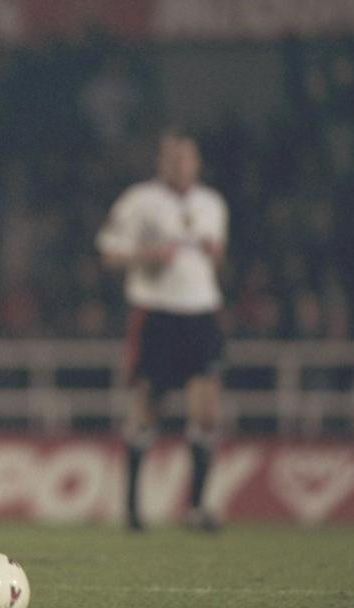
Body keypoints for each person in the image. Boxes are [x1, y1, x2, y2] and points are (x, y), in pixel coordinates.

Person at [96, 131, 228, 532]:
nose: (180, 165)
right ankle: (133, 510)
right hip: (155, 313)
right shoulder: (140, 200)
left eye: (186, 158)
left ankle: (196, 508)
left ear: (197, 162)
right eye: (172, 158)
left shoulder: (212, 204)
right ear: (161, 162)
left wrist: (213, 256)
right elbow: (108, 252)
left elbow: (215, 260)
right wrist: (146, 256)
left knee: (205, 412)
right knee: (148, 408)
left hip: (202, 312)